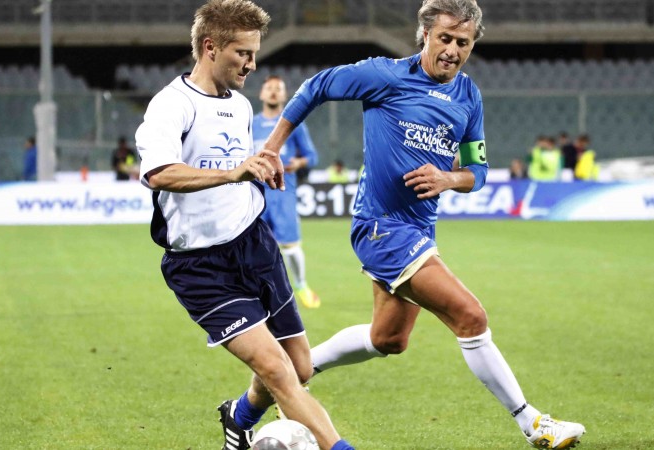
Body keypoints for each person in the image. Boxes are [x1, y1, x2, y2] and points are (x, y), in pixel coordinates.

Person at [259, 0, 585, 448]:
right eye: (445, 38)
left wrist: (449, 178)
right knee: (470, 316)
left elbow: (479, 171)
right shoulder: (385, 75)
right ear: (425, 35)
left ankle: (291, 377)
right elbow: (316, 86)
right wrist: (275, 145)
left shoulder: (468, 96)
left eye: (463, 42)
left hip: (418, 230)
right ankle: (534, 424)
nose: (452, 50)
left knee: (388, 339)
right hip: (381, 226)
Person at [133, 1, 354, 449]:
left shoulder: (240, 105)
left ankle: (240, 415)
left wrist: (259, 170)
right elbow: (160, 173)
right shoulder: (169, 107)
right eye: (243, 54)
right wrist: (233, 173)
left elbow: (240, 165)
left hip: (255, 244)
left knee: (300, 366)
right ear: (210, 48)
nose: (252, 65)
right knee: (276, 370)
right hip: (200, 266)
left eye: (255, 54)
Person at [253, 75, 322, 308]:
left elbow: (312, 156)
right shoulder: (250, 124)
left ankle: (301, 284)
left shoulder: (294, 124)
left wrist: (298, 163)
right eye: (269, 88)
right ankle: (259, 291)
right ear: (262, 94)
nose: (273, 92)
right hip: (255, 194)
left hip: (283, 192)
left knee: (291, 247)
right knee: (254, 247)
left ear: (284, 95)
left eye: (278, 89)